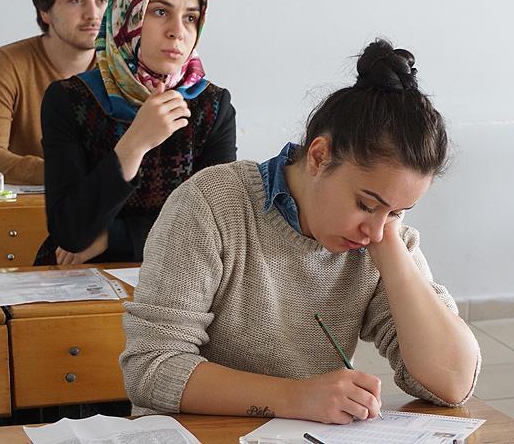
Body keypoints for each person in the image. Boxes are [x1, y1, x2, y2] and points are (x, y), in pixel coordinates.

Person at [121, 39, 481, 424]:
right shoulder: (211, 204)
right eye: (366, 204)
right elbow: (151, 368)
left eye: (397, 211)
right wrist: (295, 397)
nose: (375, 230)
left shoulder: (382, 240)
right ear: (319, 157)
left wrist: (394, 256)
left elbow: (453, 384)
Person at [35, 0, 237, 265]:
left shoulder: (212, 106)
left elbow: (217, 229)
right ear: (126, 16)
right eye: (160, 12)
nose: (177, 32)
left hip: (178, 277)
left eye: (190, 18)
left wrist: (113, 237)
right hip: (75, 279)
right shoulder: (70, 99)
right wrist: (135, 143)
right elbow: (71, 233)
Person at [0, 0, 115, 185]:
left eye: (102, 0)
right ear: (45, 11)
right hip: (33, 205)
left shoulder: (123, 67)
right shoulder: (7, 64)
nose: (93, 14)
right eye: (76, 0)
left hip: (109, 202)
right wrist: (68, 173)